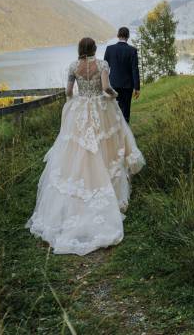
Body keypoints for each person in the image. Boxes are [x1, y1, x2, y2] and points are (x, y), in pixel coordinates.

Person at [26, 37, 145, 255]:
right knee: (105, 143)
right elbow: (106, 87)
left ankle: (83, 181)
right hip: (101, 108)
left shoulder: (73, 67)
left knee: (79, 148)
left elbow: (68, 92)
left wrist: (78, 99)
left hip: (81, 110)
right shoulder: (102, 65)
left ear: (80, 49)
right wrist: (114, 96)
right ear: (94, 49)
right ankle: (106, 182)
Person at [103, 27, 140, 123]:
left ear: (118, 35)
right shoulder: (132, 50)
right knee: (126, 109)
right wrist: (137, 88)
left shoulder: (109, 49)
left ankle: (115, 130)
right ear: (128, 36)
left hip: (113, 84)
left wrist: (104, 84)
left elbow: (105, 68)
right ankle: (125, 132)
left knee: (114, 108)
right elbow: (135, 70)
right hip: (128, 85)